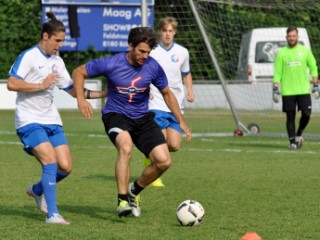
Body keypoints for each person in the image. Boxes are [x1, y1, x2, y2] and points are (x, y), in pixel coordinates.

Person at [72, 26, 192, 217]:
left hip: (142, 117)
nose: (144, 55)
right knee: (125, 147)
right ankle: (122, 202)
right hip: (116, 115)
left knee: (164, 161)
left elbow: (167, 94)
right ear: (131, 46)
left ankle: (134, 190)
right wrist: (81, 98)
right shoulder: (112, 63)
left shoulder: (152, 66)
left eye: (148, 52)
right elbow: (79, 72)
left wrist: (181, 121)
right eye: (141, 51)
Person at [7, 12, 107, 224]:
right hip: (29, 120)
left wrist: (105, 93)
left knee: (66, 167)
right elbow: (12, 83)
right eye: (57, 40)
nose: (60, 45)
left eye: (62, 41)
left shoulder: (58, 62)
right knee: (50, 162)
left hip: (51, 120)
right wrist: (40, 86)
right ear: (45, 36)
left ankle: (36, 190)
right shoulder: (29, 56)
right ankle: (53, 214)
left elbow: (73, 90)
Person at [144, 17, 195, 187]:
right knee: (160, 139)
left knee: (173, 145)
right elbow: (142, 71)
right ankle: (153, 170)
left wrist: (189, 89)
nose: (168, 34)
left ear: (174, 32)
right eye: (165, 30)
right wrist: (145, 89)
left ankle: (149, 154)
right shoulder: (152, 51)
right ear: (159, 32)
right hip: (156, 102)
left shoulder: (183, 52)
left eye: (171, 31)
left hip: (175, 104)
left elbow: (186, 73)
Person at [273, 26, 318, 150]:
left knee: (307, 113)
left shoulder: (305, 51)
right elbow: (277, 72)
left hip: (303, 89)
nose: (291, 38)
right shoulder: (281, 53)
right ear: (286, 37)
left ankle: (299, 134)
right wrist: (275, 88)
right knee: (290, 116)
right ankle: (292, 141)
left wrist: (315, 85)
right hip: (288, 91)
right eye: (289, 36)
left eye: (293, 36)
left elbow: (313, 67)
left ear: (297, 37)